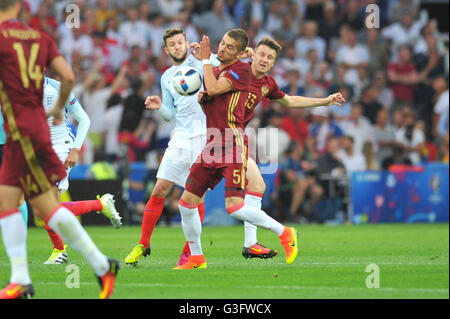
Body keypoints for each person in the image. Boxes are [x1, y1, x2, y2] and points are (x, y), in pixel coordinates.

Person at [0, 0, 118, 299]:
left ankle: (98, 265)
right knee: (18, 203)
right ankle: (25, 279)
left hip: (26, 134)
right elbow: (68, 77)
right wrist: (57, 108)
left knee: (37, 207)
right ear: (19, 8)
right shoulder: (40, 39)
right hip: (30, 133)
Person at [40, 76, 122, 264]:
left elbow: (84, 119)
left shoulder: (58, 87)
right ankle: (101, 205)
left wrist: (75, 149)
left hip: (61, 147)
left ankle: (60, 251)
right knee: (47, 206)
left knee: (47, 204)